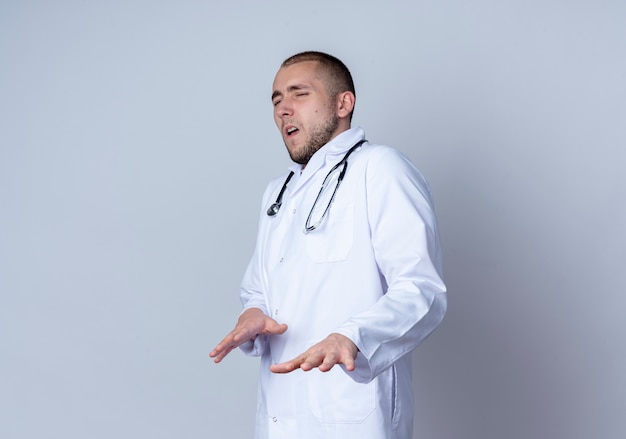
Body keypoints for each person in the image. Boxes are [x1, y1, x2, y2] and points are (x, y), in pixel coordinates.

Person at [210, 51, 447, 439]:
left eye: (299, 94)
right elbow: (258, 286)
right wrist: (253, 313)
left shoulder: (380, 168)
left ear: (343, 103)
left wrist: (353, 337)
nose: (283, 109)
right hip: (279, 416)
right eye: (276, 100)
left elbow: (423, 290)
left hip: (353, 412)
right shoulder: (279, 192)